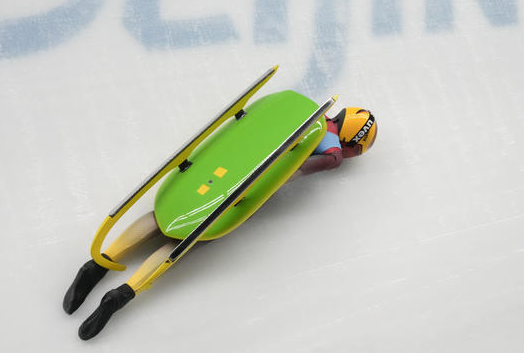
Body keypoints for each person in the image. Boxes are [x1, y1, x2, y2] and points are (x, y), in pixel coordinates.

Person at [63, 106, 377, 340]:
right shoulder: (332, 150)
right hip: (242, 185)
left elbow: (249, 123)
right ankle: (120, 295)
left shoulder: (297, 108)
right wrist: (264, 188)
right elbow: (293, 171)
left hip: (221, 165)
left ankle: (96, 265)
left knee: (165, 215)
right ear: (352, 142)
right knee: (181, 241)